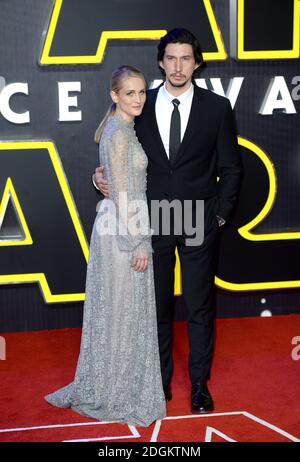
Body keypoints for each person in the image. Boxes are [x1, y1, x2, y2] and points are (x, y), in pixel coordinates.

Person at [94, 29, 242, 413]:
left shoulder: (216, 107)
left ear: (197, 62)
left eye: (186, 58)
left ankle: (198, 386)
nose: (178, 66)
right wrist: (98, 177)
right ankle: (157, 383)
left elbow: (232, 167)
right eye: (171, 58)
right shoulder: (141, 103)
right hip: (151, 219)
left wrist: (220, 217)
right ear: (161, 61)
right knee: (155, 308)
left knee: (198, 307)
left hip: (199, 219)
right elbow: (118, 154)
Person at [45, 65, 166, 427]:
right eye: (130, 93)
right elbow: (125, 192)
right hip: (123, 233)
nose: (139, 99)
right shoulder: (117, 133)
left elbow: (118, 181)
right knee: (121, 312)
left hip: (122, 225)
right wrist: (139, 242)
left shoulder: (122, 128)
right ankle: (115, 390)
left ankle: (120, 383)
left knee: (122, 313)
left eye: (142, 92)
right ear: (114, 95)